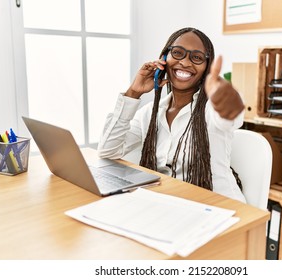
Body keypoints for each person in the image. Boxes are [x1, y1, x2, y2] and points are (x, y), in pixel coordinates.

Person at [97, 27, 246, 202]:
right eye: (178, 53)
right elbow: (107, 151)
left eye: (196, 57)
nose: (185, 62)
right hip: (172, 205)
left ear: (207, 67)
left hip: (220, 206)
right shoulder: (150, 113)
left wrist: (227, 101)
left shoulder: (211, 109)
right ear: (164, 59)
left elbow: (229, 116)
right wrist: (133, 92)